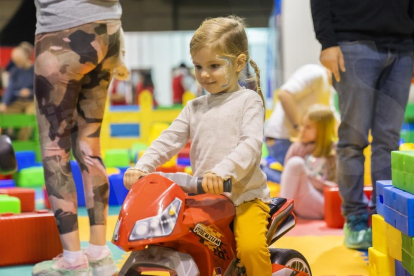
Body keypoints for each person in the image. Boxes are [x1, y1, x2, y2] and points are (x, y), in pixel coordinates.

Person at [124, 16, 272, 275]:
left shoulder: (248, 101)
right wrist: (142, 167)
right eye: (198, 66)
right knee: (173, 238)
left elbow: (250, 145)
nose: (204, 74)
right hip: (204, 198)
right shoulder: (195, 107)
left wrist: (223, 172)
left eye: (214, 65)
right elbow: (168, 140)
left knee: (249, 249)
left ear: (238, 63)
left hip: (243, 198)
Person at [311, 0, 414, 249]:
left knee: (389, 140)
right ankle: (355, 219)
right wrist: (327, 41)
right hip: (352, 42)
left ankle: (384, 214)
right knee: (353, 139)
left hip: (403, 46)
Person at [32, 0, 123, 275]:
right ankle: (99, 253)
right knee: (89, 146)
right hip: (110, 30)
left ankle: (73, 260)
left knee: (54, 149)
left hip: (62, 31)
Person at [264, 64, 337, 166]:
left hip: (299, 140)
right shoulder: (316, 73)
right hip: (282, 139)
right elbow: (284, 94)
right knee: (298, 172)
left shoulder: (329, 89)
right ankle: (266, 169)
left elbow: (333, 117)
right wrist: (299, 129)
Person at [280, 104, 337, 220]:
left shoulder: (333, 152)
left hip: (321, 202)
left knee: (296, 163)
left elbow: (336, 187)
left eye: (308, 127)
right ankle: (282, 212)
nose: (302, 130)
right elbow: (288, 178)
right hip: (297, 200)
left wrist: (313, 181)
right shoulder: (297, 147)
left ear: (322, 130)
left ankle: (282, 214)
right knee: (295, 163)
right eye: (302, 125)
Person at [0, 45, 35, 140]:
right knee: (4, 112)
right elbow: (10, 88)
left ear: (25, 57)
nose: (16, 61)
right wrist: (4, 103)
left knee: (30, 116)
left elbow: (41, 89)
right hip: (17, 101)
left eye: (18, 59)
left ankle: (23, 141)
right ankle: (7, 138)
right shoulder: (15, 71)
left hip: (31, 102)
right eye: (14, 59)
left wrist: (30, 92)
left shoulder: (34, 70)